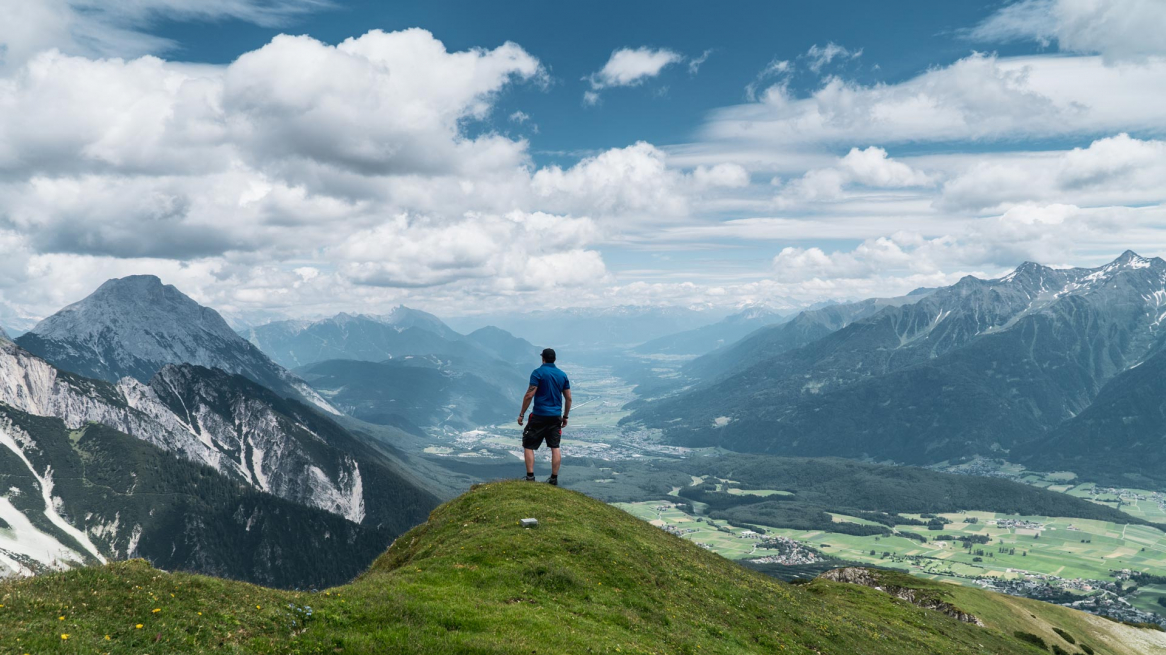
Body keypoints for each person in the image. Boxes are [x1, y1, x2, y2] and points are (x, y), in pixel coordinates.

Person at [518, 348, 571, 485]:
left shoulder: (538, 373)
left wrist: (522, 414)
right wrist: (565, 417)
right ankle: (553, 478)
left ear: (543, 359)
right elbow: (568, 398)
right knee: (555, 446)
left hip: (539, 415)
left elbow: (529, 395)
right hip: (555, 416)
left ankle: (530, 477)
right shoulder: (562, 375)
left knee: (528, 444)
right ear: (555, 359)